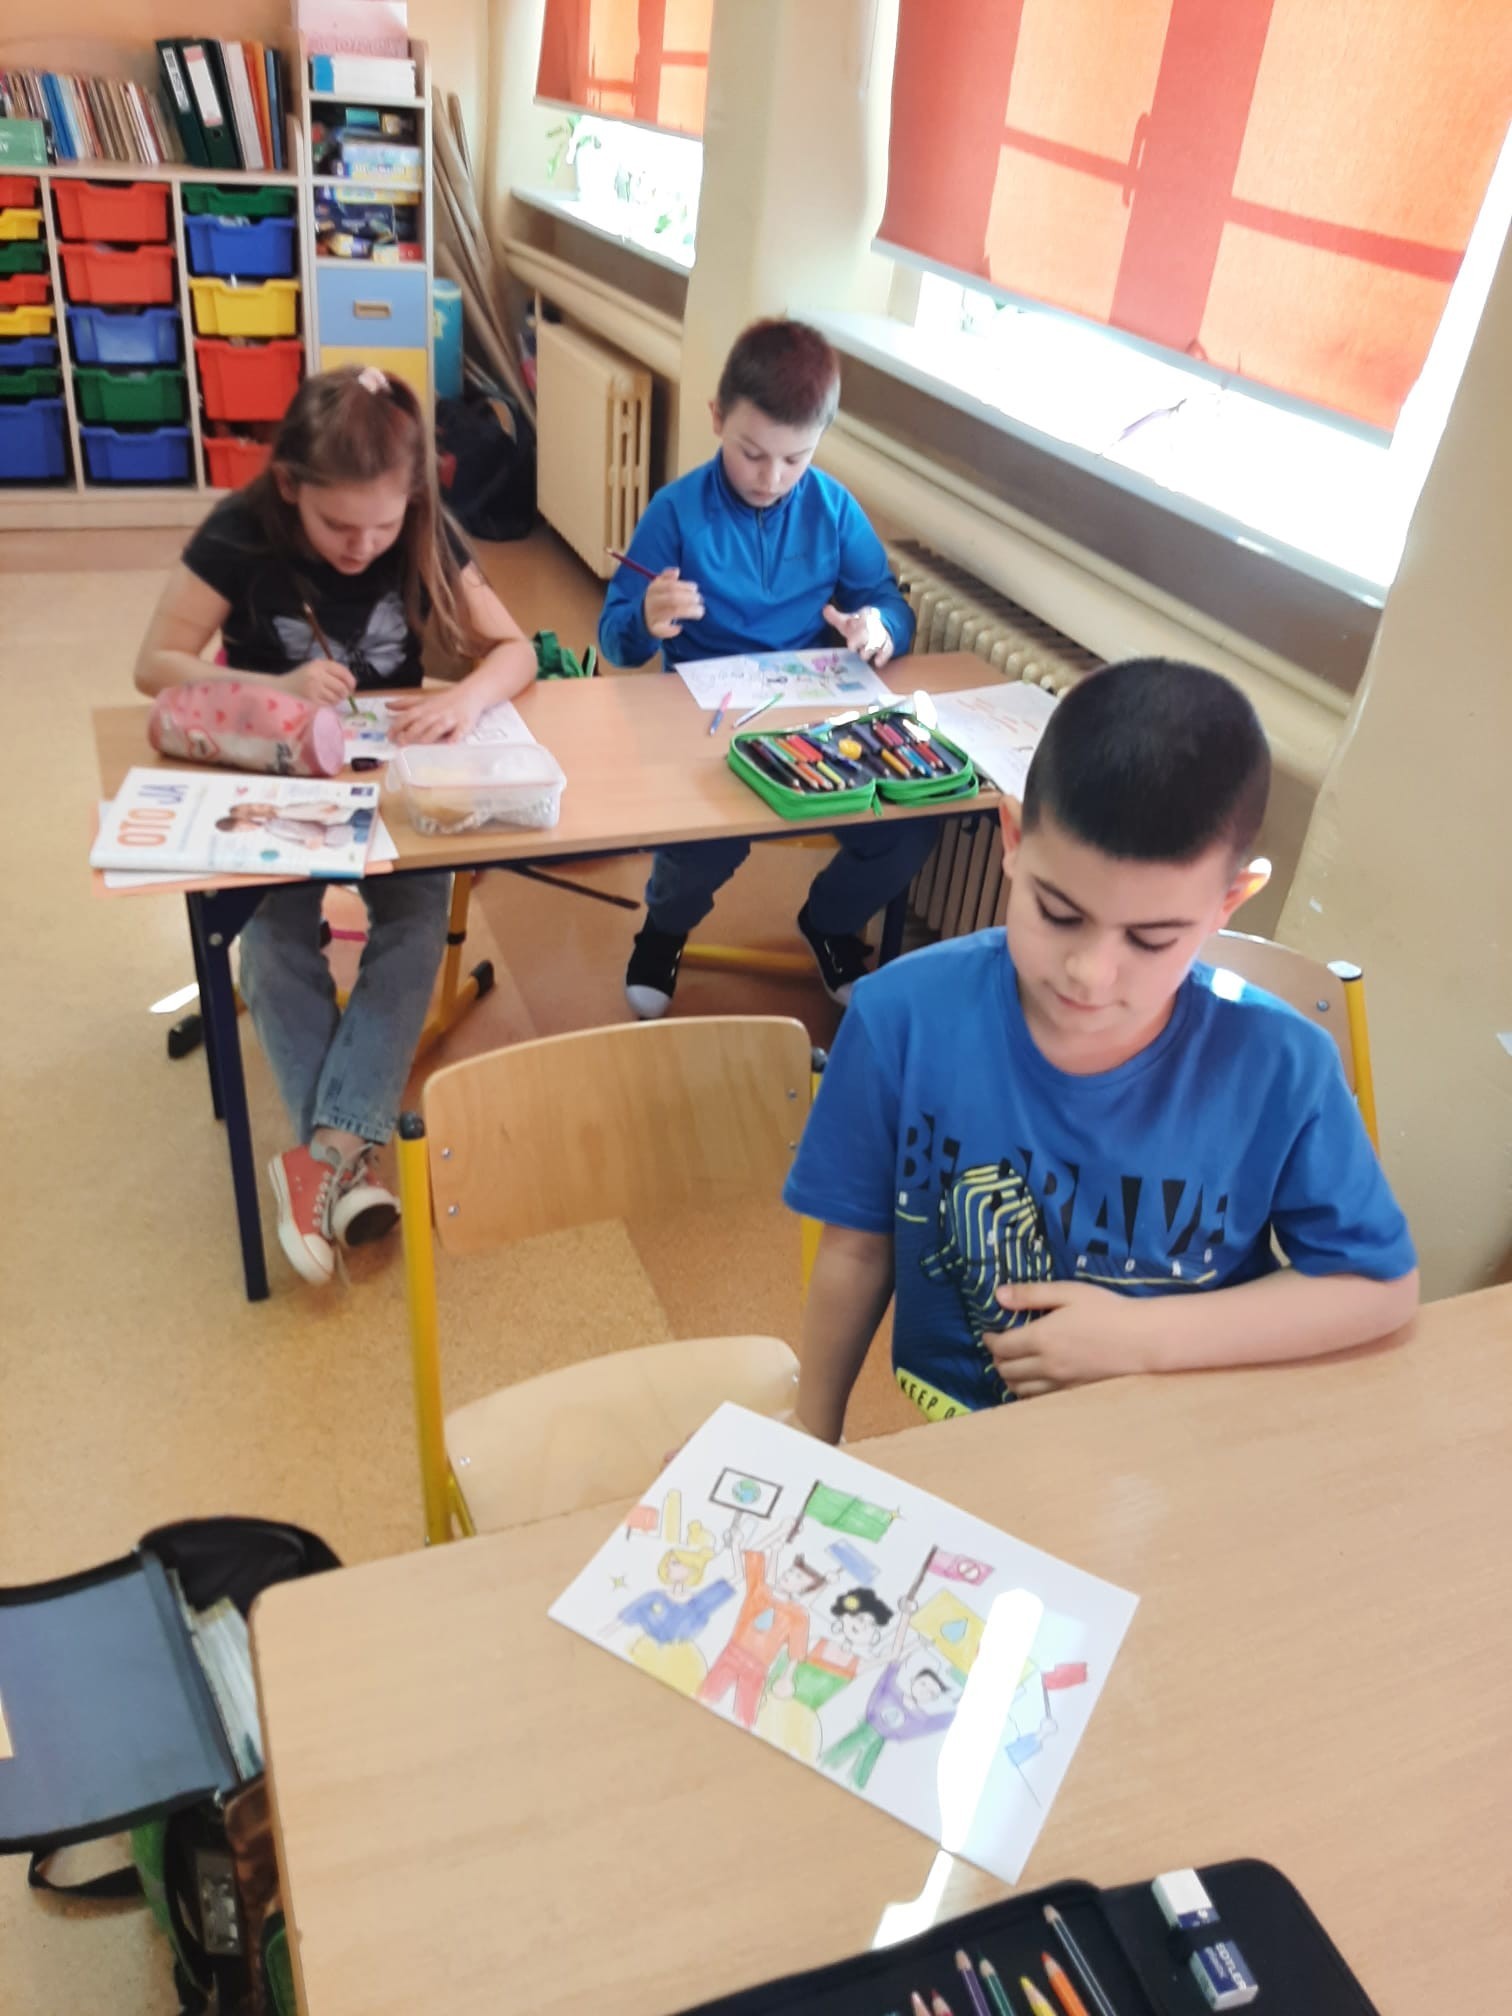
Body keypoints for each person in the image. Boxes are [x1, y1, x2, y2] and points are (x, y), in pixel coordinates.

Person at [784, 657, 1419, 1438]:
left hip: (1188, 1439)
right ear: (1014, 839)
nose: (1089, 973)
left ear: (1229, 901)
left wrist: (1140, 1339)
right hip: (972, 1441)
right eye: (1057, 913)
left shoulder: (1282, 1068)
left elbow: (1378, 1285)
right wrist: (813, 1433)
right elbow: (856, 1251)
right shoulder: (899, 1020)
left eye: (1151, 939)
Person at [134, 365, 537, 1288]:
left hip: (385, 781)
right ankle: (347, 1158)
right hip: (273, 776)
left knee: (415, 918)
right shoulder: (241, 529)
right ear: (290, 487)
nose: (362, 547)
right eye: (337, 526)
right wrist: (272, 686)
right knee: (272, 934)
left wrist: (467, 698)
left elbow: (514, 649)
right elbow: (154, 665)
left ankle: (323, 1157)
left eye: (382, 527)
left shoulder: (422, 524)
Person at [597, 318, 931, 1017]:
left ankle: (830, 922)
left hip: (812, 714)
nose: (771, 478)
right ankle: (663, 931)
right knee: (704, 845)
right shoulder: (676, 512)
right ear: (717, 418)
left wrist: (878, 628)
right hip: (706, 719)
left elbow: (887, 603)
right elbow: (615, 641)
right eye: (752, 454)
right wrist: (645, 618)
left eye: (794, 459)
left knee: (906, 825)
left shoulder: (832, 509)